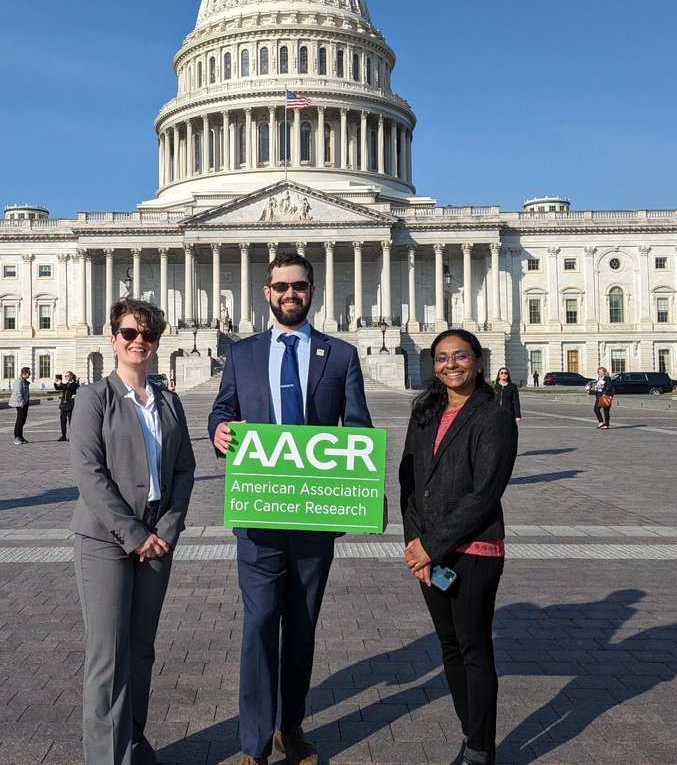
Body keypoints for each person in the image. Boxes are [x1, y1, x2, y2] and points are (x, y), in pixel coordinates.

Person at [209, 251, 371, 765]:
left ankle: (290, 726)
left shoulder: (341, 356)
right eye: (280, 286)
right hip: (259, 514)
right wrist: (218, 430)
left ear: (312, 290)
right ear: (267, 292)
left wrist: (363, 489)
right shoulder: (242, 354)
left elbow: (359, 430)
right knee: (259, 625)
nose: (289, 294)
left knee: (302, 626)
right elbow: (224, 408)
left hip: (315, 515)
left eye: (298, 286)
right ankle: (253, 743)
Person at [71, 298, 197, 765]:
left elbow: (184, 469)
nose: (138, 342)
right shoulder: (94, 397)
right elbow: (88, 473)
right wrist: (134, 533)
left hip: (157, 538)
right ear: (113, 340)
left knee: (141, 650)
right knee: (108, 657)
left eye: (147, 335)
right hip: (105, 539)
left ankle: (133, 745)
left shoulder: (168, 401)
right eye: (129, 334)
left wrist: (165, 528)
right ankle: (106, 758)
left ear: (158, 344)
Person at [399, 329, 518, 765]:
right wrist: (415, 542)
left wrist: (430, 546)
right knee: (449, 647)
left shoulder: (494, 416)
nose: (451, 364)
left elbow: (485, 494)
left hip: (474, 551)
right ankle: (473, 737)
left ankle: (480, 748)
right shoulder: (425, 413)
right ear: (433, 365)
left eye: (461, 356)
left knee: (473, 648)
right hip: (429, 550)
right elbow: (407, 479)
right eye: (443, 357)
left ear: (479, 361)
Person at [54, 371, 80, 441]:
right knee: (63, 421)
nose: (66, 377)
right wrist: (55, 383)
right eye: (65, 376)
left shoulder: (74, 384)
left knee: (71, 421)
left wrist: (61, 383)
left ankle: (72, 436)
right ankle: (63, 435)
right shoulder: (66, 384)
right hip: (63, 405)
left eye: (67, 375)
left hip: (70, 405)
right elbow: (58, 388)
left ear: (71, 376)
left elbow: (69, 389)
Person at [8, 366, 30, 444]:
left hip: (24, 403)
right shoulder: (19, 382)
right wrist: (21, 403)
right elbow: (18, 393)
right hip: (20, 404)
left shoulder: (23, 381)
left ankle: (20, 436)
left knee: (23, 420)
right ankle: (17, 437)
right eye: (29, 373)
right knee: (20, 420)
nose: (30, 375)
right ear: (24, 373)